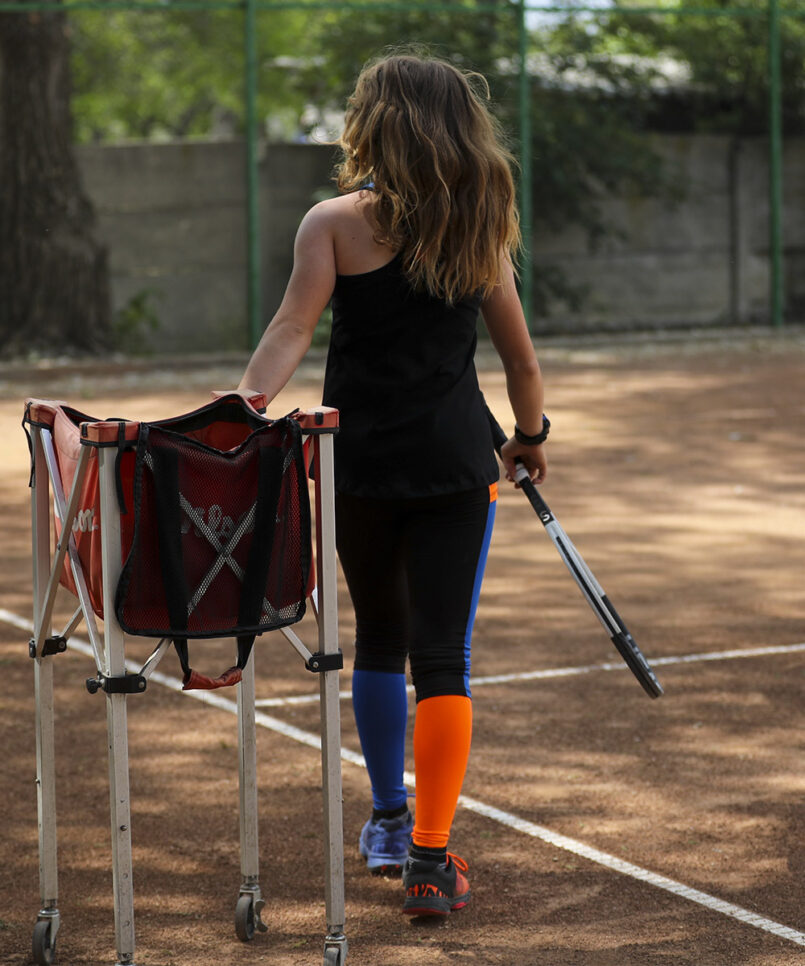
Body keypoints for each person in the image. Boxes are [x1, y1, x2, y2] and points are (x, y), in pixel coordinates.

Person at [239, 51, 548, 918]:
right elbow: (520, 360)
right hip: (457, 466)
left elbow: (290, 327)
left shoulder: (332, 222)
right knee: (442, 656)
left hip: (357, 462)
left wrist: (242, 411)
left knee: (378, 636)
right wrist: (529, 439)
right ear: (458, 126)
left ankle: (384, 818)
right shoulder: (479, 222)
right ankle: (429, 859)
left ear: (372, 122)